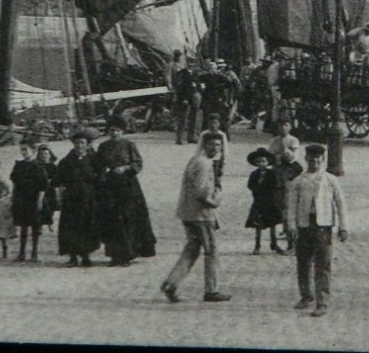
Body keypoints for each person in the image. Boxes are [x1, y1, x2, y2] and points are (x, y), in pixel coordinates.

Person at [160, 131, 230, 303]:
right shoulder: (204, 163)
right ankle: (211, 290)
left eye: (218, 145)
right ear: (204, 145)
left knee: (191, 249)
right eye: (212, 144)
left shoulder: (194, 160)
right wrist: (215, 200)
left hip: (187, 212)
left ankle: (171, 283)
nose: (215, 148)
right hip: (202, 214)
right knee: (211, 250)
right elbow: (201, 192)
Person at [286, 143, 348, 317]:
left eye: (318, 158)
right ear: (306, 159)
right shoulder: (298, 181)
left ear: (322, 160)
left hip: (323, 225)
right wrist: (291, 226)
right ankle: (306, 295)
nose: (314, 161)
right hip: (304, 225)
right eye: (311, 158)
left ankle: (322, 301)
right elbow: (291, 205)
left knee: (323, 263)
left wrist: (343, 227)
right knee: (303, 262)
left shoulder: (330, 180)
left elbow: (340, 203)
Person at [95, 115, 157, 266]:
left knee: (128, 218)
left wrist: (125, 168)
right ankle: (115, 255)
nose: (114, 133)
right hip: (110, 187)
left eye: (117, 130)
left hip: (128, 186)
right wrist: (104, 174)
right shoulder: (103, 147)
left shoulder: (129, 145)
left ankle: (129, 253)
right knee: (113, 218)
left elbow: (138, 163)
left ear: (122, 131)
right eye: (111, 130)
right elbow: (97, 165)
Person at [55, 128, 102, 267]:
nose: (79, 146)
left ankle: (86, 255)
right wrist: (60, 197)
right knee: (71, 227)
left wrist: (97, 193)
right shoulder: (66, 161)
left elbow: (100, 177)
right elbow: (58, 180)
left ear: (87, 144)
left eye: (82, 143)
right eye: (77, 143)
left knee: (87, 226)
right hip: (71, 198)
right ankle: (73, 256)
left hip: (88, 198)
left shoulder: (94, 160)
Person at [10, 140, 50, 262]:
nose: (23, 152)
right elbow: (15, 182)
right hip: (21, 198)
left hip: (33, 198)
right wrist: (13, 196)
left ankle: (34, 253)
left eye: (25, 149)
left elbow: (43, 186)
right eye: (22, 150)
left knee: (35, 227)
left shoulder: (38, 166)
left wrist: (40, 200)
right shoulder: (19, 165)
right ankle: (22, 253)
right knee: (23, 226)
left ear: (33, 150)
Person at [244, 147, 286, 255]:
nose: (261, 164)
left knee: (272, 224)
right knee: (258, 224)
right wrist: (257, 188)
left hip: (270, 201)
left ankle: (274, 243)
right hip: (258, 202)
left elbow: (275, 185)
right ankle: (257, 245)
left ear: (267, 162)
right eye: (258, 161)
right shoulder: (254, 174)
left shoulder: (272, 173)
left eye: (263, 161)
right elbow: (250, 185)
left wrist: (267, 190)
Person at [172, 57, 203, 146]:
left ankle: (191, 137)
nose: (191, 65)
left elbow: (198, 85)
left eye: (193, 63)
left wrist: (199, 92)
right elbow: (179, 87)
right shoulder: (182, 73)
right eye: (190, 63)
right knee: (182, 118)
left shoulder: (196, 73)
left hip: (194, 97)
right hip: (184, 98)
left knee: (194, 118)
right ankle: (179, 138)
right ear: (187, 63)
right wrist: (183, 98)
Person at [35, 143, 60, 232]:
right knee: (42, 206)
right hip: (41, 189)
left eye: (46, 154)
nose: (44, 156)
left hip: (51, 189)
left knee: (52, 206)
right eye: (42, 154)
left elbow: (58, 178)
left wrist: (52, 182)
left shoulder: (53, 166)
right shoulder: (37, 166)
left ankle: (50, 223)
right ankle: (40, 225)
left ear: (50, 155)